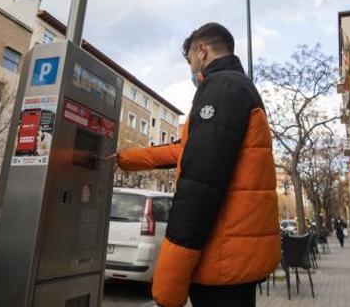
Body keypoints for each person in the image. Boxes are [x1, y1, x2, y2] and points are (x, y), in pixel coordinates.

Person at [111, 23, 279, 307]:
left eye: (189, 60)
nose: (190, 68)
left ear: (202, 50)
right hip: (235, 256)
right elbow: (187, 151)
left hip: (223, 260)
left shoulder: (221, 88)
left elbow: (200, 184)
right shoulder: (236, 87)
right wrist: (123, 160)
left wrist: (169, 279)